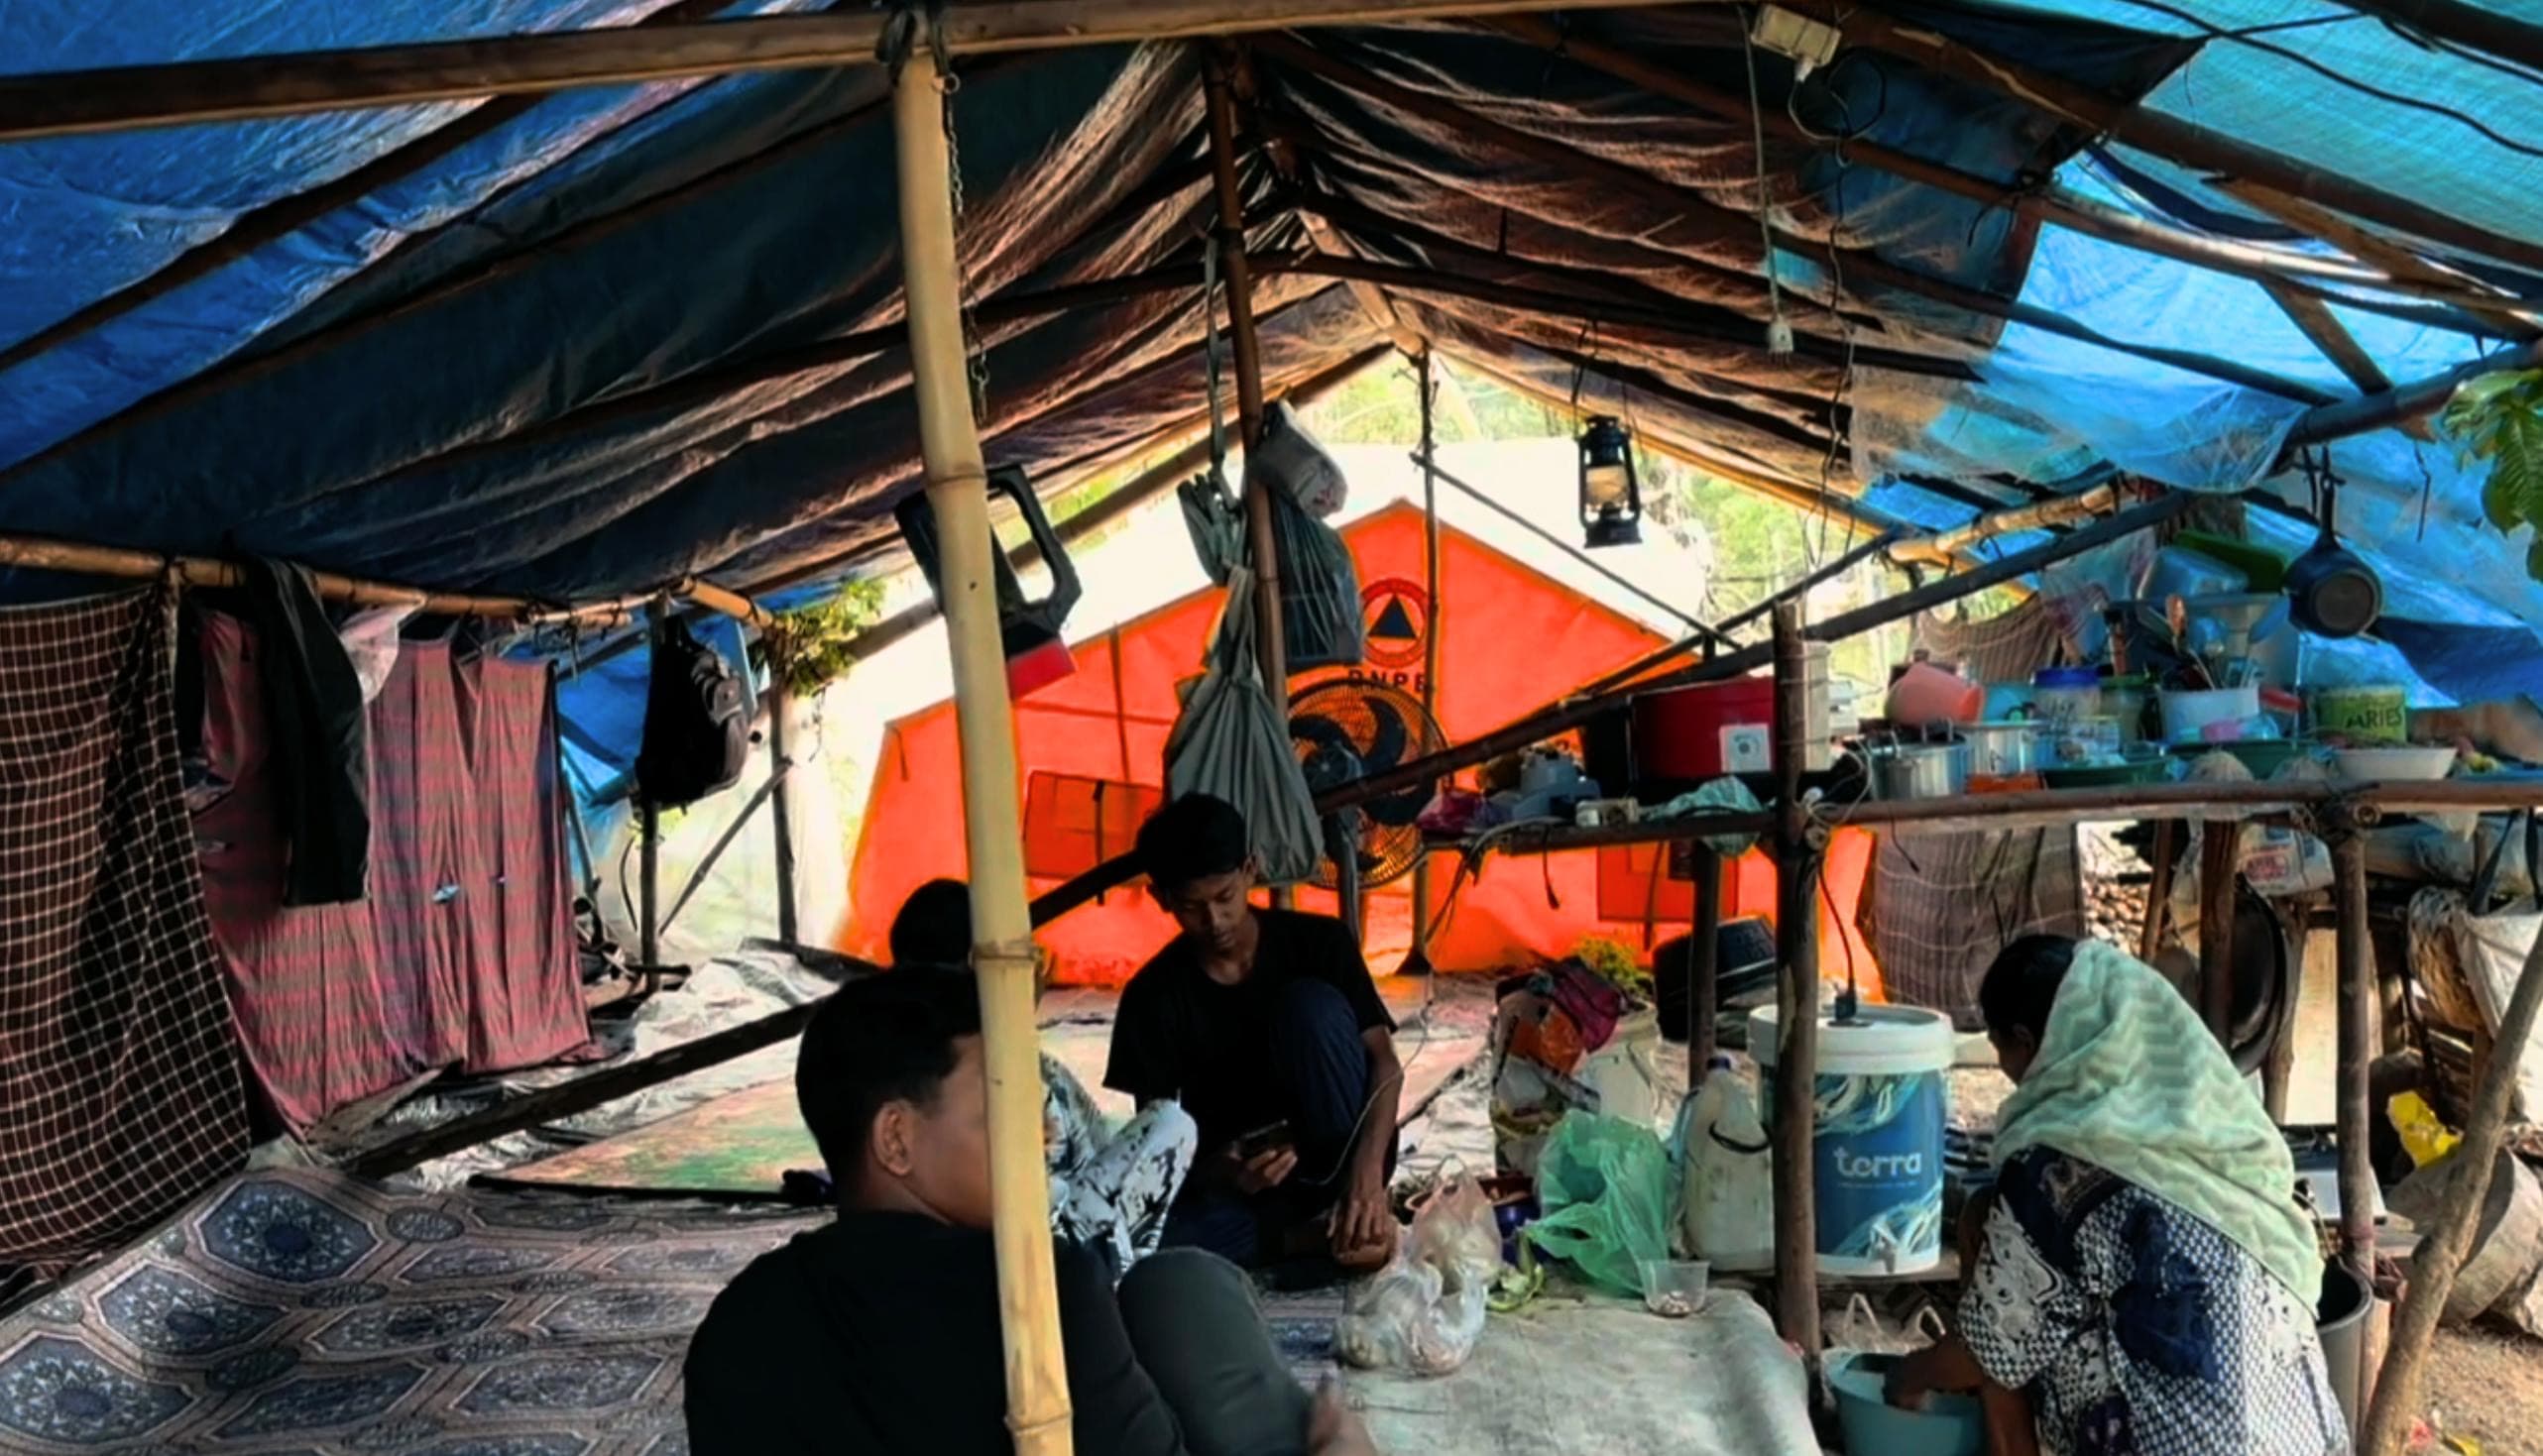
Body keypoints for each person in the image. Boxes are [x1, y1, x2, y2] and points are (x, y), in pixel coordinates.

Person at [684, 968, 1380, 1456]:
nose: (1042, 1137)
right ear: (896, 1138)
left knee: (1176, 1283)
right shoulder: (1036, 1294)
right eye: (1004, 1111)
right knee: (1185, 1288)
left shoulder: (738, 1317)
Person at [1888, 934, 2349, 1456]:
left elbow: (1991, 1346)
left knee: (2005, 1272)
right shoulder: (2226, 1144)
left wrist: (1909, 1374)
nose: (2007, 1073)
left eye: (2001, 1051)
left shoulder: (2056, 1172)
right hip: (2306, 1442)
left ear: (2025, 1040)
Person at [1103, 793, 1402, 1272]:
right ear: (1161, 899)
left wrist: (1365, 1178)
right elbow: (1157, 1142)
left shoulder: (1320, 943)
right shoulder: (1152, 996)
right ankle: (1321, 1237)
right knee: (1132, 1240)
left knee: (1311, 1005)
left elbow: (1385, 1064)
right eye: (1191, 907)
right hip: (1245, 1194)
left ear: (1251, 869)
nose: (1214, 921)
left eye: (1225, 898)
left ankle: (1351, 1211)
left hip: (1341, 1161)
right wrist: (1224, 1169)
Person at [890, 878, 1197, 1275]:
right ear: (983, 966)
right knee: (1173, 1125)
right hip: (1041, 1253)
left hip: (1036, 1234)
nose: (1036, 972)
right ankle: (1122, 1275)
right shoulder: (993, 1070)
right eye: (1026, 958)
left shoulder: (898, 1049)